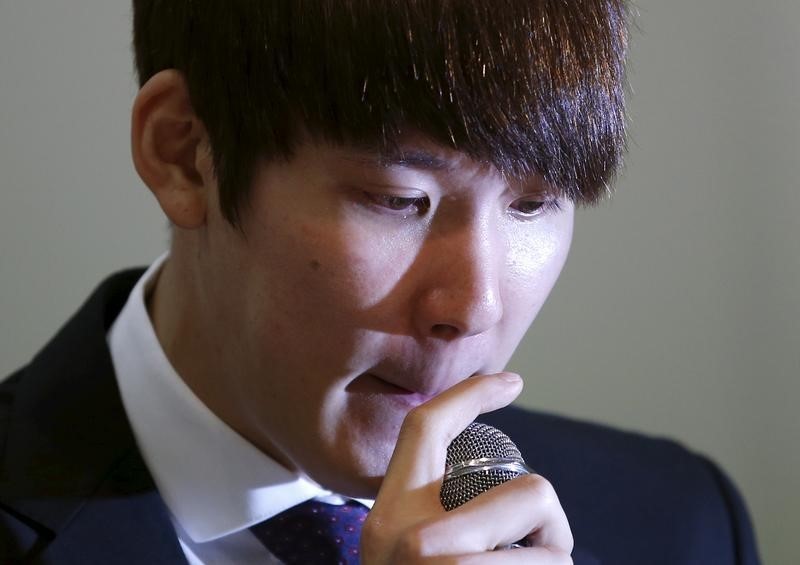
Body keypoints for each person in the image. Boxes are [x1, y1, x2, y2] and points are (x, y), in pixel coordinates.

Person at [0, 1, 760, 563]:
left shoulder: (683, 522)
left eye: (534, 203)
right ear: (184, 152)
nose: (475, 306)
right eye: (400, 201)